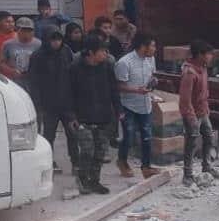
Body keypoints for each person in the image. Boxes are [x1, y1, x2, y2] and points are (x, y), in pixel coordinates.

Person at [66, 35, 121, 194]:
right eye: (103, 50)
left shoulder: (107, 66)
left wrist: (119, 111)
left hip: (103, 117)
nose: (106, 54)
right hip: (82, 118)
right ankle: (83, 179)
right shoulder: (74, 68)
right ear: (91, 52)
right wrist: (71, 116)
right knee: (87, 151)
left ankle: (95, 181)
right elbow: (67, 94)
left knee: (100, 152)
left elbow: (114, 90)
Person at [29, 26, 77, 174]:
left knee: (73, 133)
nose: (56, 42)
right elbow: (34, 82)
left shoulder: (66, 52)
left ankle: (76, 162)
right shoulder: (38, 56)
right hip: (48, 104)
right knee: (49, 135)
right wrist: (38, 104)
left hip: (67, 103)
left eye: (59, 39)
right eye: (53, 39)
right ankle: (49, 162)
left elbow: (73, 76)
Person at [115, 34, 160, 179]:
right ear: (143, 46)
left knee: (147, 136)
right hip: (127, 105)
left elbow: (151, 75)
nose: (154, 49)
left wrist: (153, 81)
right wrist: (137, 90)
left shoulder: (151, 59)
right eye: (152, 45)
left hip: (145, 104)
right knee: (128, 135)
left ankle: (146, 167)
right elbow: (119, 86)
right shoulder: (124, 62)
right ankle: (122, 161)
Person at [179, 39, 219, 185]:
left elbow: (204, 90)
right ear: (200, 55)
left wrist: (206, 108)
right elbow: (185, 99)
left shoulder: (203, 68)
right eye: (209, 54)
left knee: (209, 138)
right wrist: (191, 117)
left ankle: (206, 167)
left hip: (203, 112)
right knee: (191, 143)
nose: (211, 57)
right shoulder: (189, 72)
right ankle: (187, 174)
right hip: (193, 114)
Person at [0, 17, 42, 90]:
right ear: (18, 30)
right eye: (24, 30)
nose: (27, 33)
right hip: (14, 83)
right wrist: (11, 71)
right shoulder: (8, 44)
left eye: (29, 30)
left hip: (33, 83)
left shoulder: (39, 44)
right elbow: (1, 63)